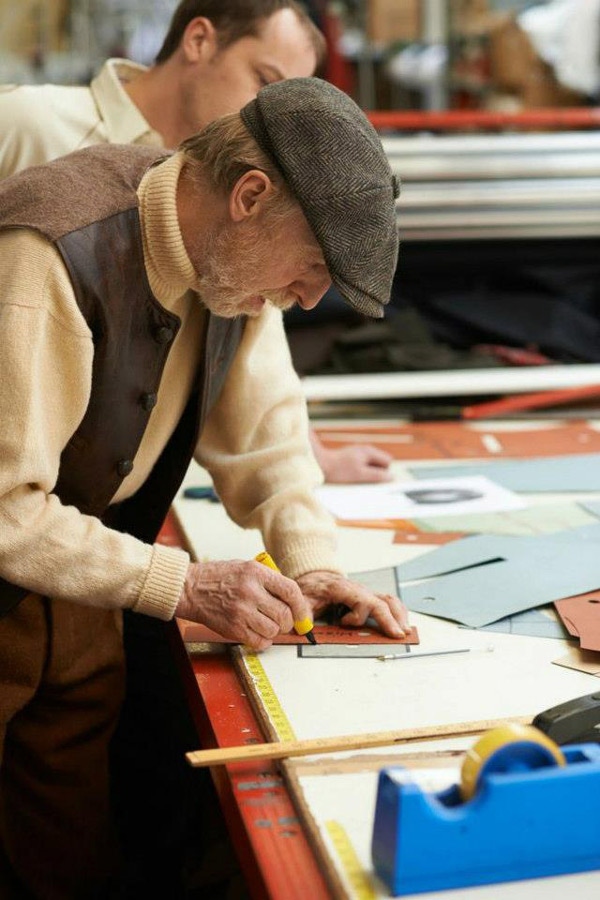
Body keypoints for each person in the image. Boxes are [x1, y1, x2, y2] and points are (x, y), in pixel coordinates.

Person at [0, 77, 404, 899]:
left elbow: (271, 443)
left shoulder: (234, 269)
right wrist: (183, 582)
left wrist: (314, 565)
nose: (310, 297)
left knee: (67, 864)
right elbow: (3, 507)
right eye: (315, 264)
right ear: (250, 195)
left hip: (73, 601)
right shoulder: (53, 254)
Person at [0, 0, 393, 485]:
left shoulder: (231, 216)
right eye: (265, 80)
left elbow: (253, 364)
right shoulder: (26, 125)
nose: (275, 116)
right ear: (199, 40)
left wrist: (304, 458)